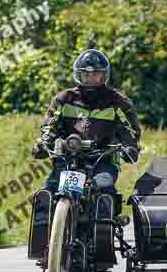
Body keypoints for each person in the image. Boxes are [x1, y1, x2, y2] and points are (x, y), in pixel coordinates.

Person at [31, 49, 142, 197]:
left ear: (103, 76)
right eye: (86, 74)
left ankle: (104, 220)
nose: (90, 79)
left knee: (103, 189)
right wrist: (44, 142)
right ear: (79, 75)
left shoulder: (117, 101)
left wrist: (130, 147)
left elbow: (129, 129)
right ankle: (45, 220)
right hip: (68, 158)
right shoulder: (64, 99)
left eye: (95, 74)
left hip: (103, 159)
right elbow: (50, 126)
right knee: (49, 191)